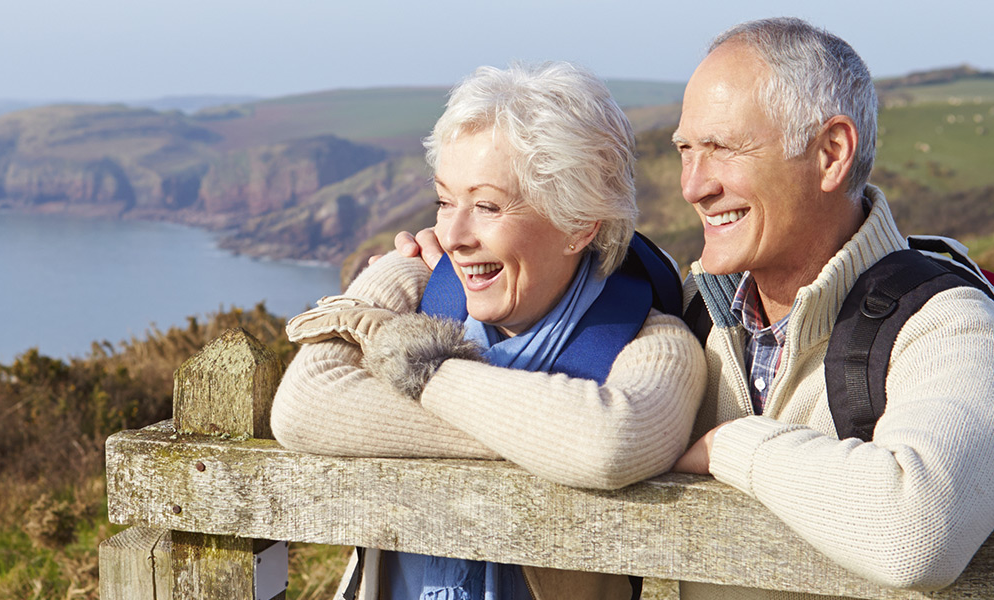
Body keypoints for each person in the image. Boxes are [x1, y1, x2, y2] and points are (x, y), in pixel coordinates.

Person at [271, 62, 705, 600]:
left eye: (486, 206)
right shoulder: (421, 286)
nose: (451, 235)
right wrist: (390, 273)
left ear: (578, 224)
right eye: (445, 201)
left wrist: (421, 371)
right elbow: (304, 407)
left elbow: (608, 443)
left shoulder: (651, 344)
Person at [666, 18, 994, 598]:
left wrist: (731, 445)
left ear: (831, 154)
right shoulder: (693, 313)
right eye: (687, 149)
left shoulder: (945, 322)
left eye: (723, 148)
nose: (693, 186)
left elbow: (918, 531)